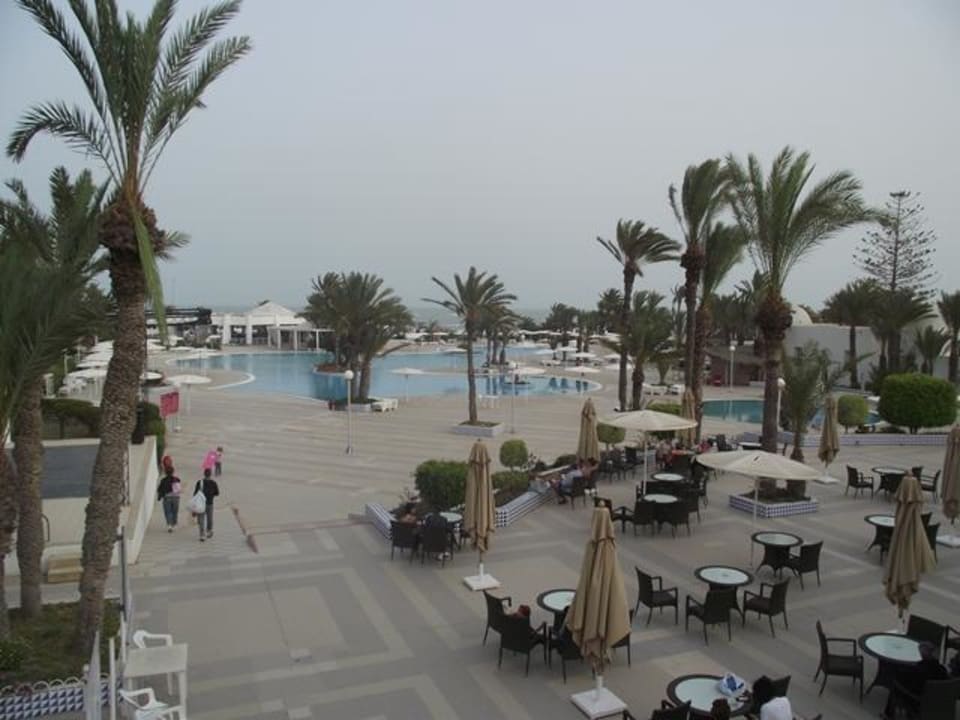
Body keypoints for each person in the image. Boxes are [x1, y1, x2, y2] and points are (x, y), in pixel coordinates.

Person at [886, 641, 948, 718]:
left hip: (918, 701)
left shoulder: (917, 671)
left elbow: (908, 682)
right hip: (938, 701)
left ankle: (888, 714)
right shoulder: (942, 670)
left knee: (895, 683)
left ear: (921, 654)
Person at [194, 468, 220, 541]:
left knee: (201, 519)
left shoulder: (199, 482)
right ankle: (209, 531)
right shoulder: (213, 483)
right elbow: (217, 493)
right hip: (209, 503)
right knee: (210, 518)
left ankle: (202, 535)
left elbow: (195, 493)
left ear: (204, 474)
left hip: (201, 503)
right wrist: (211, 494)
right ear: (210, 474)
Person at [156, 466, 181, 532]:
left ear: (165, 472)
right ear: (173, 472)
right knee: (175, 511)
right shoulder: (177, 479)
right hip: (176, 497)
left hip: (167, 498)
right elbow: (178, 488)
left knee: (168, 512)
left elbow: (159, 489)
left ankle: (169, 525)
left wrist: (160, 496)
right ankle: (174, 523)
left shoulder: (163, 480)